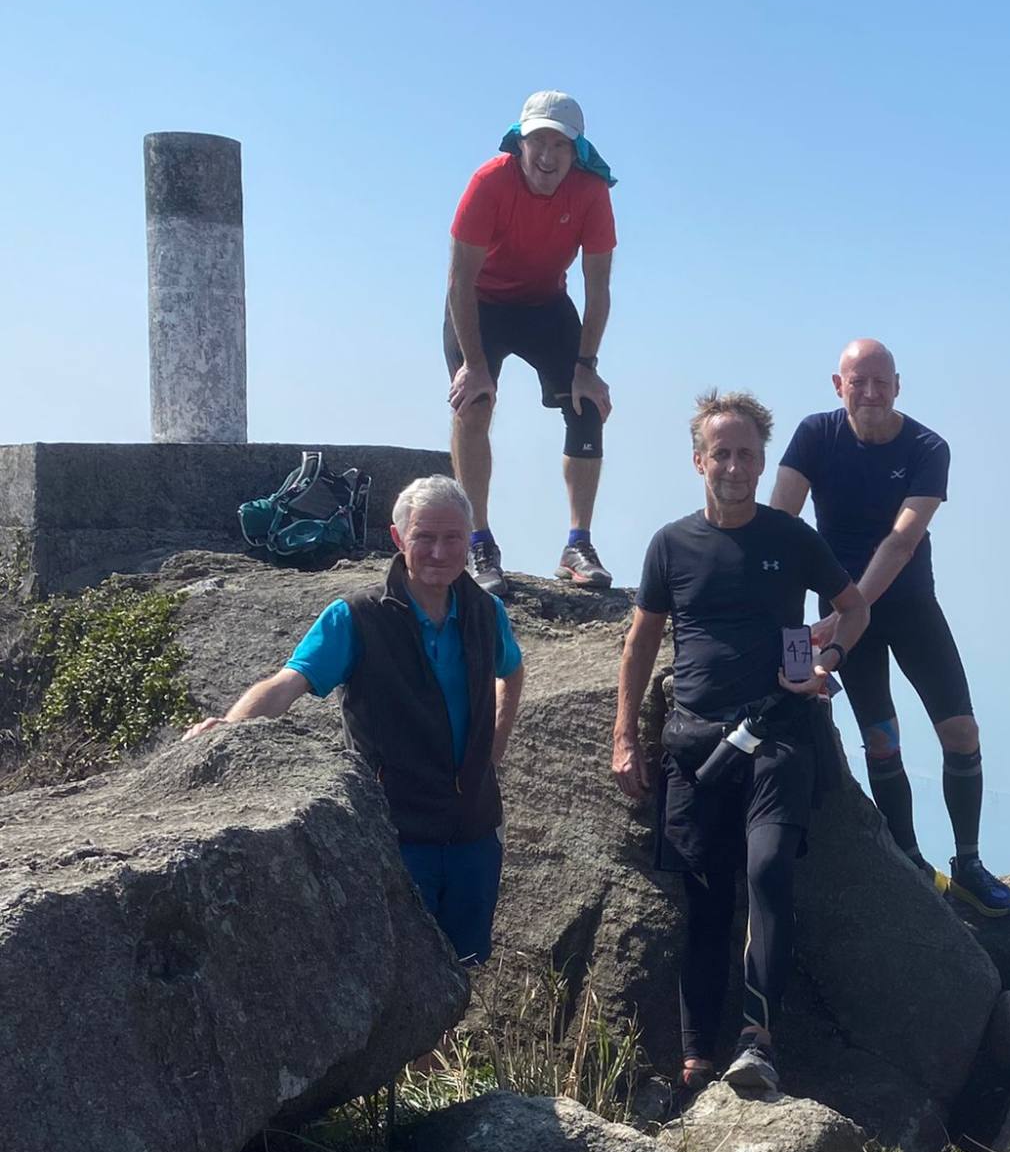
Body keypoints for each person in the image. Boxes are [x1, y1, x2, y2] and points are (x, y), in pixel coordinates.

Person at [612, 391, 871, 1097]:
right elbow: (640, 644)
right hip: (694, 744)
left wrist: (829, 660)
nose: (733, 465)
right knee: (703, 898)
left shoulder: (791, 539)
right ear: (699, 460)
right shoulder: (671, 544)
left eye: (747, 454)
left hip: (779, 736)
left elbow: (853, 607)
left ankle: (758, 1040)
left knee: (767, 874)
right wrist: (625, 738)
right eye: (721, 453)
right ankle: (697, 1055)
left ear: (763, 464)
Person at [183, 476, 525, 965]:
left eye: (453, 537)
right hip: (394, 833)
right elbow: (288, 682)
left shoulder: (485, 611)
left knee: (465, 973)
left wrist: (493, 749)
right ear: (397, 539)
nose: (439, 550)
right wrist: (229, 726)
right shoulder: (356, 616)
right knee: (403, 979)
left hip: (474, 832)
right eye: (424, 537)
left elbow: (511, 672)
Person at [770, 338, 1010, 917]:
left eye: (882, 382)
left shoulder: (927, 446)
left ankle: (969, 862)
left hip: (906, 605)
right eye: (859, 382)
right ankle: (908, 858)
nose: (872, 393)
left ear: (898, 385)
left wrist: (846, 612)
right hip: (840, 611)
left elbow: (903, 540)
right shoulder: (815, 435)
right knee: (881, 739)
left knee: (961, 731)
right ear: (839, 386)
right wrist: (788, 623)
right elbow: (779, 526)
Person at [445, 90, 619, 597]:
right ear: (519, 141)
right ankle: (478, 541)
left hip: (545, 304)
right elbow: (459, 281)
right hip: (480, 304)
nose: (548, 156)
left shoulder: (591, 192)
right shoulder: (489, 182)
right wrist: (475, 365)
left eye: (560, 146)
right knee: (473, 403)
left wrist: (587, 364)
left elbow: (599, 288)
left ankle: (577, 545)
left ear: (576, 150)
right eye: (537, 141)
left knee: (587, 405)